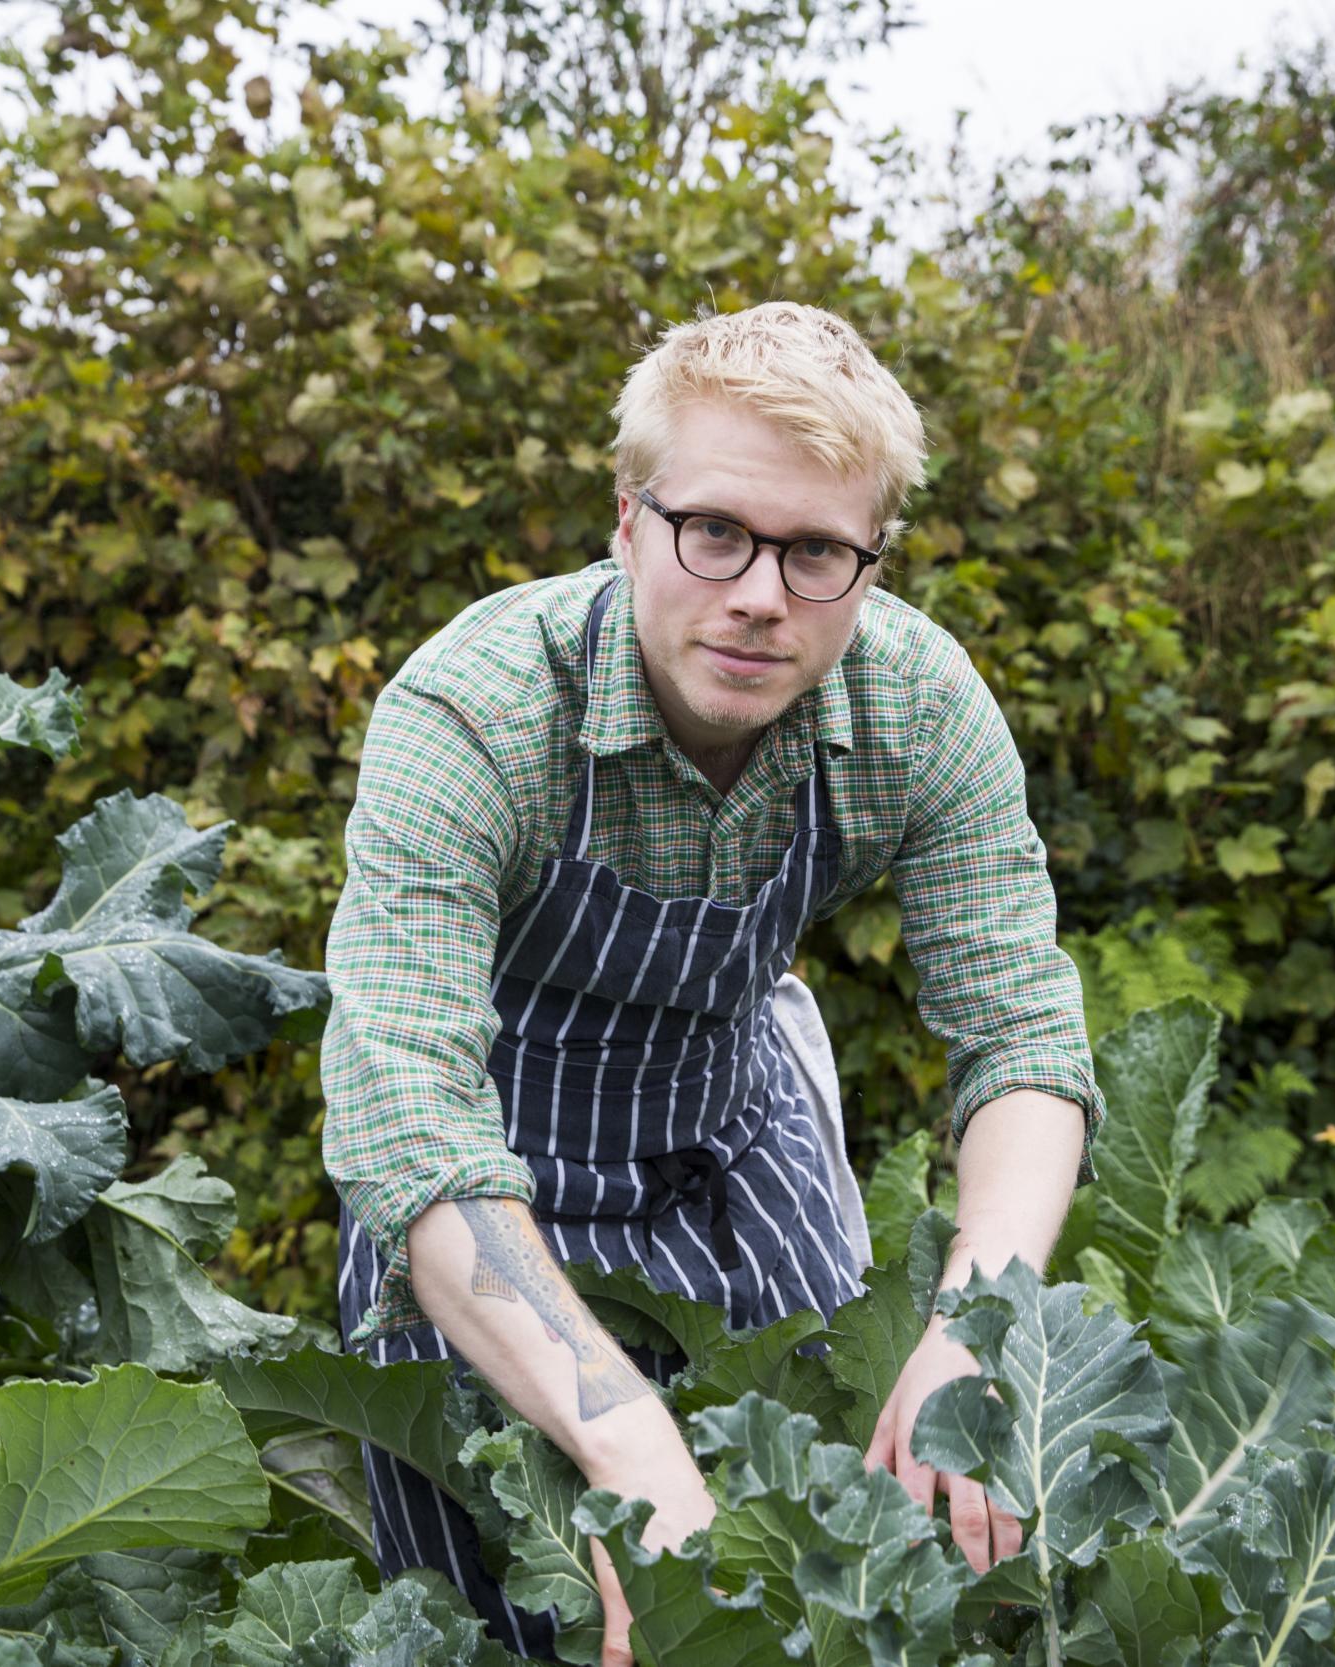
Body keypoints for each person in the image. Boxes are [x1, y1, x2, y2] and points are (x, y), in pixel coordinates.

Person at [320, 300, 1106, 1665]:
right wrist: (627, 1443)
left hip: (736, 1145)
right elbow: (412, 1132)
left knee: (836, 1578)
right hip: (484, 1195)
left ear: (871, 562)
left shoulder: (918, 710)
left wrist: (974, 1335)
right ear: (630, 521)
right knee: (512, 1610)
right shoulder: (473, 716)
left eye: (815, 552)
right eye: (716, 533)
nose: (758, 593)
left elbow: (1024, 1042)